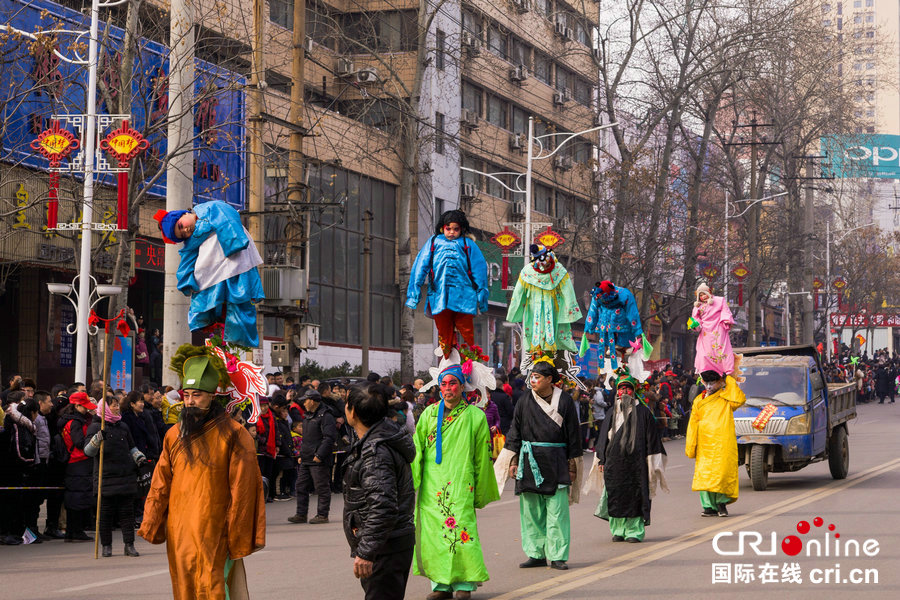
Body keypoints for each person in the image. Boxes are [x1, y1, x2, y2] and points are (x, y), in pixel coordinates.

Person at [138, 351, 265, 599]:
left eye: (197, 395)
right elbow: (160, 482)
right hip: (180, 527)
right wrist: (152, 521)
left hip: (216, 526)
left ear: (212, 396)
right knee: (183, 584)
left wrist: (237, 532)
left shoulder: (234, 434)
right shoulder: (174, 434)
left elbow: (244, 489)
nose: (190, 401)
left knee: (213, 584)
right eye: (187, 395)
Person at [412, 364, 500, 600]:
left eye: (453, 383)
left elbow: (482, 457)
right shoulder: (428, 414)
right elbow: (417, 451)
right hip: (432, 486)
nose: (448, 388)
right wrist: (411, 481)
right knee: (434, 534)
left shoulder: (476, 416)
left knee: (461, 531)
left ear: (463, 386)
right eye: (443, 384)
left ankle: (464, 584)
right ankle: (440, 585)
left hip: (461, 482)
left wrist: (480, 488)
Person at [496, 360, 582, 570]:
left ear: (550, 380)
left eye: (537, 377)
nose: (532, 381)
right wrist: (514, 460)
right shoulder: (524, 401)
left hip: (557, 461)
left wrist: (572, 466)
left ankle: (558, 555)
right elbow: (515, 431)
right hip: (529, 459)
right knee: (531, 511)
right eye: (531, 377)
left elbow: (573, 435)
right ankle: (536, 553)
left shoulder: (565, 401)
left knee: (557, 511)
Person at [154, 200, 265, 347]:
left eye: (181, 226)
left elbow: (228, 217)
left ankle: (235, 342)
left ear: (185, 214)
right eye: (182, 235)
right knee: (217, 304)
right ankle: (224, 338)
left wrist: (233, 243)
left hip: (236, 264)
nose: (185, 231)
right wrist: (187, 282)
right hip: (213, 276)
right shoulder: (191, 242)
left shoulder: (209, 208)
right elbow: (186, 262)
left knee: (239, 300)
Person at [342, 384, 416, 600]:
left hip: (386, 546)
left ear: (352, 411)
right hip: (389, 542)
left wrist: (366, 551)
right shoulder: (382, 438)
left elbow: (383, 506)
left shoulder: (376, 453)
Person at [592, 374, 667, 543]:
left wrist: (652, 462)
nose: (624, 391)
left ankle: (633, 531)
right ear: (617, 391)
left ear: (633, 392)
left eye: (627, 388)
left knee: (635, 495)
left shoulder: (643, 413)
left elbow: (652, 439)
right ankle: (618, 529)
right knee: (616, 495)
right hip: (614, 462)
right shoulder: (612, 411)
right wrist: (602, 459)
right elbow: (603, 437)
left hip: (636, 463)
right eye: (621, 388)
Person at [406, 209, 489, 358]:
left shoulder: (468, 244)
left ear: (461, 229)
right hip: (439, 296)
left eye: (455, 229)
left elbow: (480, 270)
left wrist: (481, 297)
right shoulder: (434, 242)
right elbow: (420, 266)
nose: (451, 232)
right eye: (448, 228)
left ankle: (469, 362)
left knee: (467, 333)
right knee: (444, 333)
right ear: (442, 228)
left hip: (464, 297)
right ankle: (448, 363)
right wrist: (414, 293)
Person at [85, 396, 147, 557]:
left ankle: (129, 545)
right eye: (113, 405)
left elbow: (132, 446)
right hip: (105, 478)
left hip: (125, 476)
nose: (117, 408)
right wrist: (97, 439)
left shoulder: (123, 426)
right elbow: (88, 452)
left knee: (127, 514)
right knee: (105, 516)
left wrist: (139, 457)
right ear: (105, 408)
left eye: (118, 405)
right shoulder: (96, 427)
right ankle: (106, 546)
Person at [685, 370, 746, 517]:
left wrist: (728, 379)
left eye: (713, 383)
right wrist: (691, 445)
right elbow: (693, 424)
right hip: (704, 443)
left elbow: (740, 400)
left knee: (721, 473)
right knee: (705, 475)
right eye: (707, 383)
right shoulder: (698, 400)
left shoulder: (726, 398)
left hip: (722, 441)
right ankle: (708, 506)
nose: (709, 386)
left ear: (719, 383)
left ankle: (721, 503)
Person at [288, 389, 337, 524]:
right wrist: (302, 455)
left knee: (321, 487)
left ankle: (322, 515)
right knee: (301, 486)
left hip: (318, 459)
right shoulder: (308, 415)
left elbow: (329, 438)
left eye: (306, 400)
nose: (304, 403)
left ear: (313, 401)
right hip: (306, 458)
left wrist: (320, 455)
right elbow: (306, 438)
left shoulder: (326, 416)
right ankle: (301, 514)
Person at [59, 391, 98, 542]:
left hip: (76, 463)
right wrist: (93, 441)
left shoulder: (71, 420)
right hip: (78, 462)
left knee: (77, 497)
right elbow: (79, 443)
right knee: (78, 498)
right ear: (76, 405)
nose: (87, 409)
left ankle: (74, 531)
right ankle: (75, 531)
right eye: (84, 407)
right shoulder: (75, 422)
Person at [688, 284, 736, 377]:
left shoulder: (720, 300)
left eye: (704, 294)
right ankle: (706, 370)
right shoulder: (697, 307)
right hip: (705, 331)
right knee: (704, 354)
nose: (703, 297)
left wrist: (725, 321)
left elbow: (725, 311)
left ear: (709, 293)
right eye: (700, 295)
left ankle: (726, 370)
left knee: (721, 349)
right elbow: (696, 319)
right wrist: (695, 325)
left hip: (718, 328)